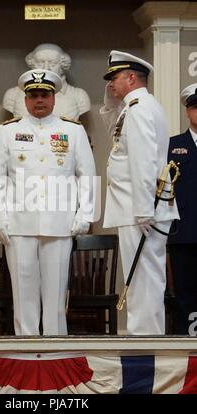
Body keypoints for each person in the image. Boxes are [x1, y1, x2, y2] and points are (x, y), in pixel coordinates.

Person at [0, 68, 96, 335]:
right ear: (25, 100)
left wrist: (85, 215)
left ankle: (55, 344)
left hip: (60, 223)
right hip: (19, 223)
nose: (39, 100)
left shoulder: (72, 130)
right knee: (23, 292)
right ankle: (26, 343)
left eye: (44, 95)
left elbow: (88, 175)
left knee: (56, 292)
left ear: (53, 98)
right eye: (33, 95)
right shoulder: (8, 131)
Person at [99, 50, 179, 335]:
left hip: (141, 208)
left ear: (131, 77)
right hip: (138, 206)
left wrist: (145, 208)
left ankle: (144, 341)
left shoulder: (139, 108)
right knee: (144, 276)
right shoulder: (135, 106)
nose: (111, 84)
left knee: (143, 277)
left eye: (115, 78)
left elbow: (144, 160)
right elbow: (117, 138)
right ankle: (144, 337)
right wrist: (110, 103)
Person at [168, 83, 197, 335]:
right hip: (184, 231)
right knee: (185, 293)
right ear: (187, 111)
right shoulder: (173, 145)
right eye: (195, 107)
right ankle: (186, 343)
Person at [2, 43, 91, 120]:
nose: (46, 68)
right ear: (32, 64)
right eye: (40, 63)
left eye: (53, 63)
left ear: (62, 65)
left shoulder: (79, 96)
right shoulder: (12, 95)